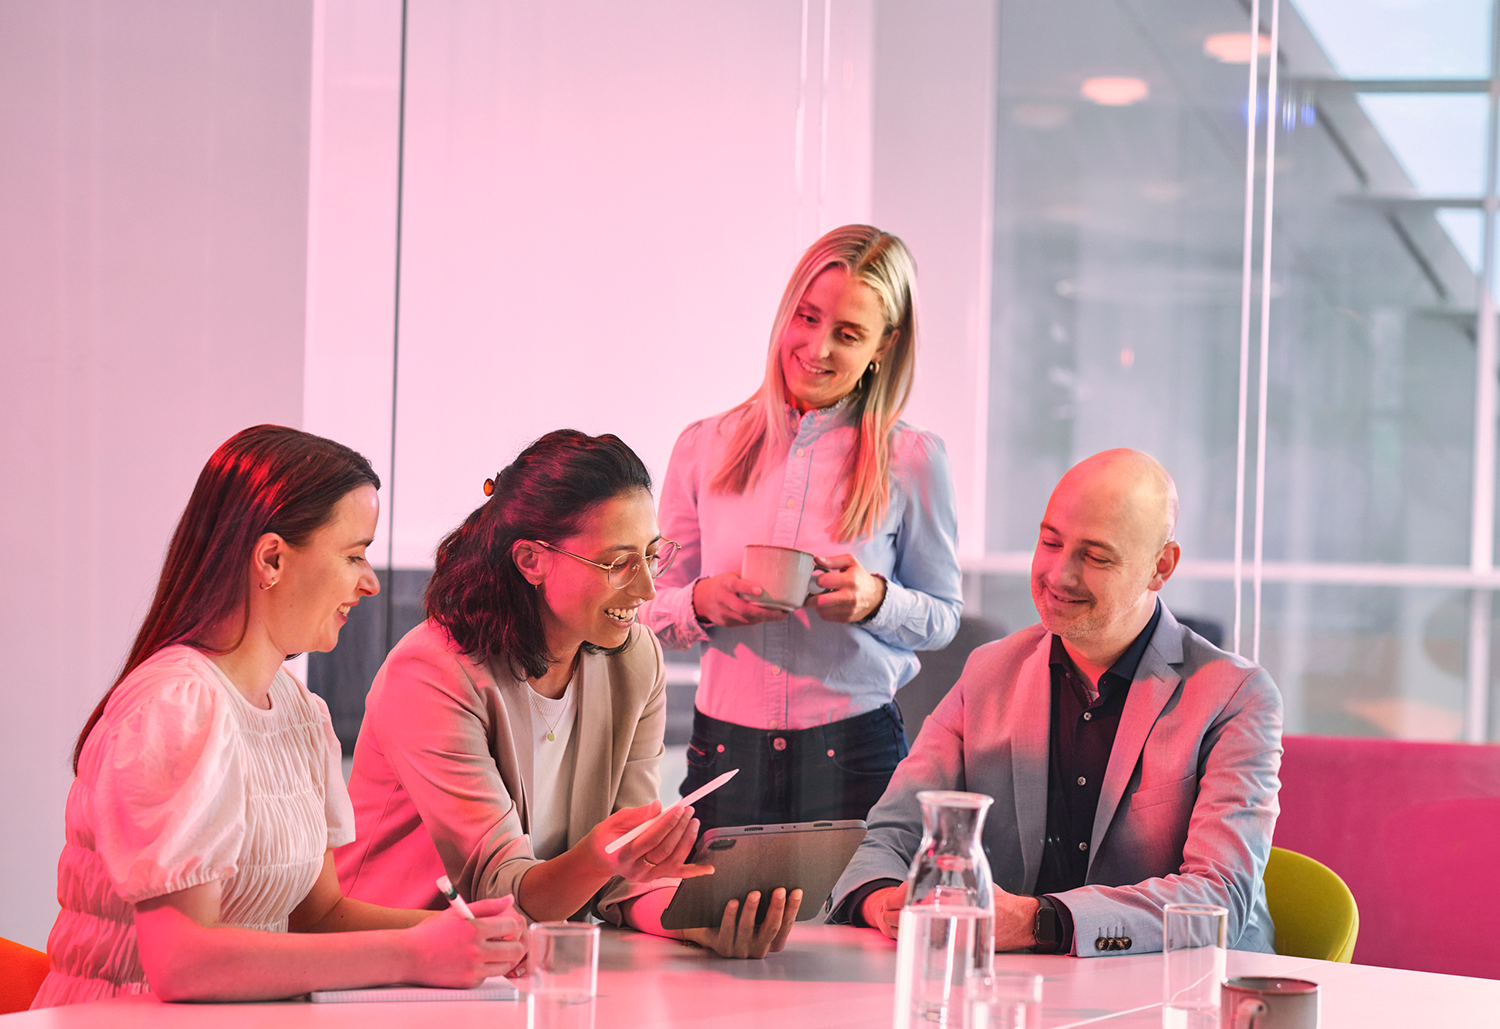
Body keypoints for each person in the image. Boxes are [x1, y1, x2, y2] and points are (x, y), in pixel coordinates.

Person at [34, 425, 526, 1008]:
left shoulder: (296, 712)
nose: (368, 582)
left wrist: (461, 938)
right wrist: (413, 953)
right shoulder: (176, 707)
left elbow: (317, 915)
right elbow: (181, 962)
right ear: (271, 558)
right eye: (354, 555)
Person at [336, 430, 790, 958]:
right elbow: (500, 889)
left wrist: (694, 919)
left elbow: (622, 881)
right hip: (394, 958)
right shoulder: (432, 672)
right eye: (618, 563)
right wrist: (601, 856)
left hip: (515, 958)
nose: (646, 589)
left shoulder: (634, 658)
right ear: (531, 560)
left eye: (651, 555)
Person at [636, 224, 963, 938]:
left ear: (885, 344)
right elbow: (639, 612)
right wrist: (700, 602)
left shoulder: (911, 460)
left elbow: (943, 616)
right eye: (807, 318)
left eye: (848, 332)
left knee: (858, 971)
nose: (817, 348)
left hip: (857, 754)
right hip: (727, 753)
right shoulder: (704, 446)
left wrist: (876, 600)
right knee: (709, 957)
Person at [830, 448, 1281, 955]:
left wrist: (1041, 921)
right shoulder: (989, 671)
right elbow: (891, 834)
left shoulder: (1236, 695)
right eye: (1050, 542)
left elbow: (1219, 896)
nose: (1059, 574)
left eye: (1094, 556)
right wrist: (882, 899)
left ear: (1160, 567)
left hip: (1186, 997)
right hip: (1026, 992)